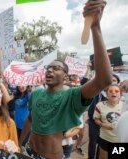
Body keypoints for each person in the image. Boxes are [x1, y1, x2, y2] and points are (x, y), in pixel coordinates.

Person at [19, 1, 112, 158]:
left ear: (66, 76)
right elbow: (30, 119)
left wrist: (95, 27)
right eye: (48, 67)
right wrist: (20, 143)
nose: (50, 70)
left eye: (56, 68)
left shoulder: (71, 96)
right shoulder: (36, 93)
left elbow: (104, 80)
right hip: (29, 152)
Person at [93, 84, 123, 159]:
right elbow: (96, 119)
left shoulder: (125, 106)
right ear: (106, 94)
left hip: (119, 140)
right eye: (111, 91)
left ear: (120, 94)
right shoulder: (100, 105)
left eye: (116, 91)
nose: (114, 93)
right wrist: (102, 124)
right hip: (104, 138)